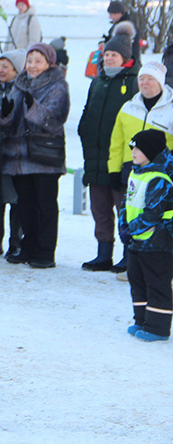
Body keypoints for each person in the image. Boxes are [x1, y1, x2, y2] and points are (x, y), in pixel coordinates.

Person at [0, 43, 70, 269]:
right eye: (30, 61)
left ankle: (46, 252)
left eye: (38, 61)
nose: (32, 66)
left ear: (49, 63)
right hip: (19, 156)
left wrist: (34, 107)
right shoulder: (19, 84)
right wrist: (6, 112)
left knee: (45, 205)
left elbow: (55, 118)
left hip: (43, 156)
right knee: (25, 205)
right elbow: (8, 122)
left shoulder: (58, 85)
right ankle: (27, 247)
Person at [78, 27, 140, 272]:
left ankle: (128, 254)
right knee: (99, 209)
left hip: (122, 159)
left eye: (114, 55)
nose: (109, 58)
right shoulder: (98, 82)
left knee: (124, 208)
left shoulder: (134, 82)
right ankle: (103, 253)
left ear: (125, 58)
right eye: (106, 55)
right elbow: (87, 114)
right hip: (95, 156)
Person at [108, 61, 173, 276]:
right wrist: (114, 169)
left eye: (150, 79)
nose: (145, 83)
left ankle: (156, 263)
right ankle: (130, 260)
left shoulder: (171, 107)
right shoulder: (128, 106)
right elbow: (117, 142)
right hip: (132, 169)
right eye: (142, 79)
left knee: (155, 217)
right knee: (130, 214)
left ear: (160, 83)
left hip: (161, 173)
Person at [119, 129, 173, 342]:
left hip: (157, 242)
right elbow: (126, 202)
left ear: (150, 151)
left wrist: (131, 229)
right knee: (137, 279)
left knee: (156, 282)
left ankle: (157, 327)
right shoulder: (136, 172)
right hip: (137, 241)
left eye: (138, 148)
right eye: (132, 147)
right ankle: (141, 319)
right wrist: (124, 225)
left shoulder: (159, 179)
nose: (133, 152)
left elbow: (153, 213)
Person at [0, 51, 26, 257]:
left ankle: (15, 242)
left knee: (15, 199)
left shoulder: (23, 91)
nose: (0, 70)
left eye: (6, 66)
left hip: (15, 153)